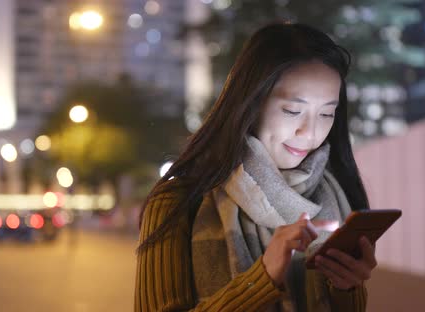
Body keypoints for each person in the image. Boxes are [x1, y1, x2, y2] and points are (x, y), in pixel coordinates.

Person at [134, 22, 377, 312]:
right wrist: (261, 279)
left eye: (326, 113)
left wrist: (347, 287)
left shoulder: (332, 198)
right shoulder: (178, 202)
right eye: (292, 110)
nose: (310, 132)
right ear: (252, 102)